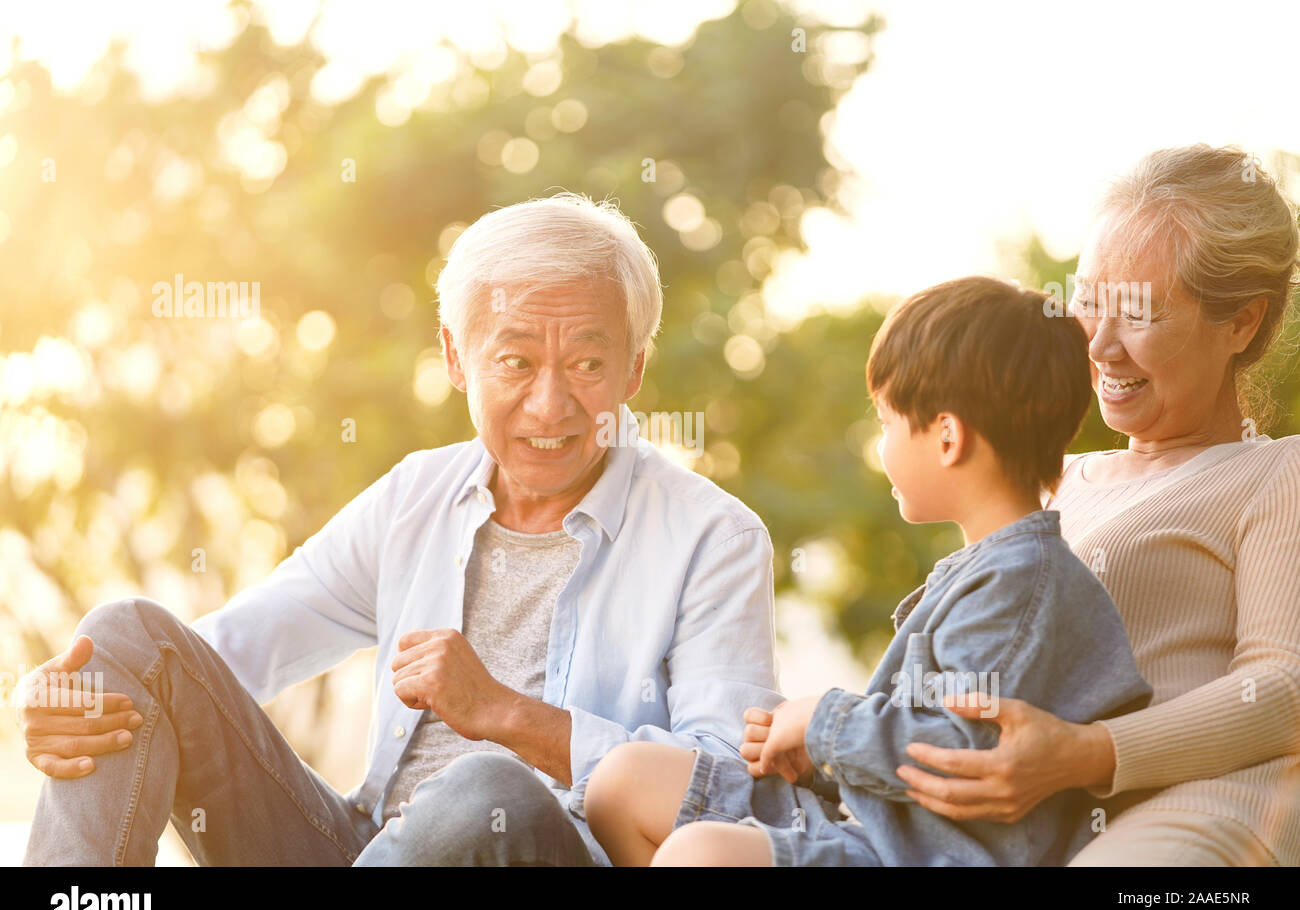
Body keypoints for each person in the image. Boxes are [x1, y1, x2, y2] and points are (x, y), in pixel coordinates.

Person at [18, 193, 783, 867]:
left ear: (635, 371)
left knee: (491, 787)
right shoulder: (417, 495)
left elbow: (729, 798)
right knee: (125, 643)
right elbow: (225, 655)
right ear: (456, 358)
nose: (551, 406)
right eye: (515, 361)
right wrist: (73, 696)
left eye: (587, 364)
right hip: (368, 847)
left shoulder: (715, 538)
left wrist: (507, 716)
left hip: (544, 853)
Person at [584, 276, 1153, 866]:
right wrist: (826, 760)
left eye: (886, 423)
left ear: (948, 437)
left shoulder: (1021, 588)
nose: (879, 444)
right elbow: (913, 738)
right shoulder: (988, 572)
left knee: (700, 855)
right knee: (622, 781)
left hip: (925, 854)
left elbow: (959, 751)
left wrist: (820, 721)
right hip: (876, 827)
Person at [897, 145, 1300, 866]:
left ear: (1240, 322)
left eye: (1139, 315)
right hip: (1011, 823)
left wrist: (1086, 754)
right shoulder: (1044, 480)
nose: (1101, 345)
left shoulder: (1277, 473)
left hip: (1185, 817)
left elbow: (1282, 689)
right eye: (1087, 301)